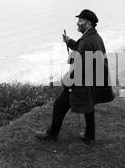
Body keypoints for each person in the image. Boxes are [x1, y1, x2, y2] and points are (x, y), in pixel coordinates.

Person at [36, 9, 115, 144]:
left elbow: (80, 66)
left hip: (81, 81)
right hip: (91, 80)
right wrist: (69, 41)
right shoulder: (93, 36)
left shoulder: (88, 41)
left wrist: (67, 81)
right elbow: (81, 49)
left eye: (80, 20)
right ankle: (89, 136)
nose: (77, 23)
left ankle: (52, 133)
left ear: (88, 23)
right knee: (88, 107)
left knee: (60, 104)